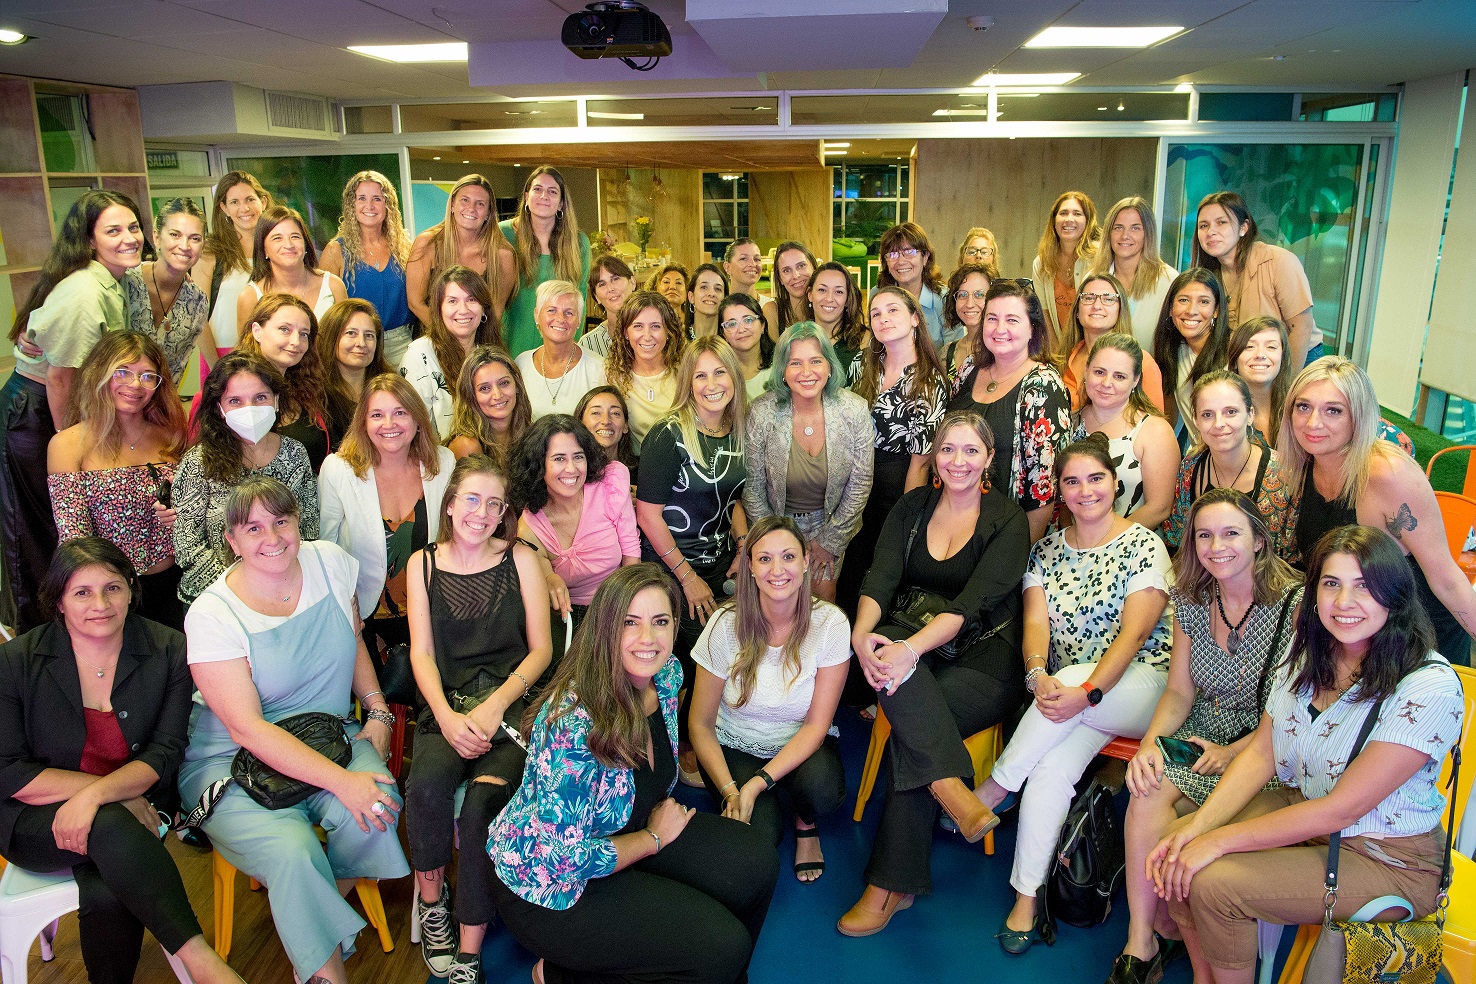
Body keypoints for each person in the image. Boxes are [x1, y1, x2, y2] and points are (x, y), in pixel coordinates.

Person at [1147, 525, 1463, 984]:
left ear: (1393, 596)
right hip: (1308, 808)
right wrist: (1199, 828)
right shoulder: (1309, 651)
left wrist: (1216, 839)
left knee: (1213, 881)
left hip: (1387, 856)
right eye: (1331, 584)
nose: (1344, 602)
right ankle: (1206, 976)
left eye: (1364, 587)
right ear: (1313, 592)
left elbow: (1342, 809)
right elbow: (1261, 752)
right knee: (1176, 844)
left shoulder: (1427, 685)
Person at [489, 564, 779, 984]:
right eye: (630, 622)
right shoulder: (571, 721)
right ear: (606, 628)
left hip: (625, 826)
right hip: (552, 884)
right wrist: (653, 839)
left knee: (756, 863)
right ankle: (564, 974)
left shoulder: (666, 676)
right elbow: (564, 858)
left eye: (660, 622)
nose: (648, 639)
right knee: (721, 945)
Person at [179, 477, 409, 984]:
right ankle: (326, 974)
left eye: (281, 521)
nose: (273, 537)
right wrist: (342, 781)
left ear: (297, 522)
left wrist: (376, 711)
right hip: (232, 760)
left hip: (326, 733)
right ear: (232, 541)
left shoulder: (329, 562)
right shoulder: (213, 613)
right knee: (293, 850)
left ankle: (303, 906)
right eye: (253, 527)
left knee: (379, 806)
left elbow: (353, 640)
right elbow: (248, 731)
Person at [0, 538, 246, 984]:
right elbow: (10, 773)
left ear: (132, 590)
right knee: (112, 821)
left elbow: (165, 751)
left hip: (136, 805)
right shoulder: (16, 661)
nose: (101, 604)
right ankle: (202, 961)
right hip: (35, 818)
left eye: (113, 588)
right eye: (82, 592)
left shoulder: (169, 648)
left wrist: (101, 795)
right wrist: (113, 799)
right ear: (58, 600)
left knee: (109, 892)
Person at [972, 435, 1174, 954]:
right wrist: (1037, 674)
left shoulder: (1143, 545)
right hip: (1071, 703)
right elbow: (1035, 624)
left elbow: (1133, 636)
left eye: (1096, 478)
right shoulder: (1044, 552)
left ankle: (993, 791)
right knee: (1051, 771)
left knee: (1080, 673)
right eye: (1073, 481)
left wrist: (1087, 691)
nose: (1085, 491)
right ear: (1060, 490)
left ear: (1114, 483)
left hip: (1145, 688)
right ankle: (1026, 898)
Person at [838, 410, 1032, 936]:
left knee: (913, 717)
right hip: (914, 647)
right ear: (935, 455)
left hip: (984, 661)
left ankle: (887, 887)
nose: (958, 462)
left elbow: (970, 606)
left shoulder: (1007, 520)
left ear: (990, 459)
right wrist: (862, 634)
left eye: (972, 451)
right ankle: (952, 792)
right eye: (948, 450)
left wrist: (905, 651)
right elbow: (881, 576)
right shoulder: (912, 506)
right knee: (911, 699)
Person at [1112, 488, 1302, 984]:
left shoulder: (1294, 604)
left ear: (1260, 541)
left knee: (1179, 838)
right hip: (1203, 731)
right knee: (1146, 788)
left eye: (1231, 533)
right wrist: (1152, 745)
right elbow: (1178, 691)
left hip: (1265, 747)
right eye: (1204, 535)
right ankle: (1140, 941)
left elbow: (1290, 712)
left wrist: (1231, 752)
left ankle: (1177, 930)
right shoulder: (1192, 598)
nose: (1217, 546)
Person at [405, 454, 551, 984]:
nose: (482, 512)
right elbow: (421, 653)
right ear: (449, 505)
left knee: (480, 808)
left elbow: (540, 651)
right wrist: (444, 716)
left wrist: (495, 707)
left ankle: (470, 941)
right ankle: (432, 902)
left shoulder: (521, 559)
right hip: (446, 705)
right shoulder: (421, 565)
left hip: (510, 707)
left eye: (495, 504)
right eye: (472, 499)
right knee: (424, 788)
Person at [3, 190, 144, 631]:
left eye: (134, 227)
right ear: (88, 241)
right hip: (36, 411)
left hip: (57, 404)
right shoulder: (85, 289)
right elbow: (62, 380)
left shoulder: (113, 279)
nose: (129, 238)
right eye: (114, 231)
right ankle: (37, 641)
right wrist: (74, 447)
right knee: (34, 537)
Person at [1281, 357, 1476, 665]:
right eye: (1303, 407)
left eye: (1333, 410)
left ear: (1358, 417)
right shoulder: (1304, 465)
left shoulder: (1387, 474)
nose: (1313, 422)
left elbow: (1447, 579)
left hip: (1421, 636)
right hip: (1361, 634)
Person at [689, 515, 849, 882]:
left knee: (822, 791)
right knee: (760, 837)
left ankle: (805, 822)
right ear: (750, 567)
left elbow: (816, 726)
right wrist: (733, 791)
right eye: (764, 559)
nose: (778, 570)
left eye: (788, 557)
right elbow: (699, 724)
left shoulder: (831, 625)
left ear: (806, 561)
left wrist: (757, 783)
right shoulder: (723, 624)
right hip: (737, 743)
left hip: (799, 742)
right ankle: (762, 802)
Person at [48, 332, 188, 630]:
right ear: (100, 374)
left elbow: (199, 512)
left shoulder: (173, 436)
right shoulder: (67, 445)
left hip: (178, 583)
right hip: (110, 594)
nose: (135, 385)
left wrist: (183, 516)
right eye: (123, 372)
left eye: (148, 376)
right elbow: (74, 538)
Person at [319, 373, 455, 666]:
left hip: (429, 611)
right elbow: (326, 547)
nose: (389, 424)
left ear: (418, 419)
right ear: (363, 423)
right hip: (364, 616)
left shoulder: (443, 463)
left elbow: (451, 539)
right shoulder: (337, 470)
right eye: (377, 415)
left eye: (400, 413)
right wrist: (346, 608)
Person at [636, 336, 749, 667]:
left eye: (720, 373)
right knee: (706, 661)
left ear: (734, 378)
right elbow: (648, 516)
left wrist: (743, 547)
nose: (711, 385)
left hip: (719, 561)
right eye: (701, 376)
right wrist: (687, 578)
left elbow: (732, 498)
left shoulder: (736, 429)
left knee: (736, 652)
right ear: (688, 381)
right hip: (672, 568)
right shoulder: (668, 434)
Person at [835, 286, 948, 615]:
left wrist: (905, 521)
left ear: (915, 318)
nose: (883, 318)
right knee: (849, 578)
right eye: (875, 313)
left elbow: (920, 464)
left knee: (881, 574)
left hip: (896, 483)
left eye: (892, 310)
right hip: (854, 480)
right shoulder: (862, 365)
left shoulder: (929, 381)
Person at [172, 353, 319, 605]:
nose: (249, 409)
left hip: (286, 590)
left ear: (276, 400)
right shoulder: (199, 462)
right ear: (219, 408)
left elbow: (309, 531)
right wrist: (248, 589)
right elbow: (188, 548)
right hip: (215, 597)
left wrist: (280, 584)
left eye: (260, 398)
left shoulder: (295, 454)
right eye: (235, 401)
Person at [744, 322, 873, 603]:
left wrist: (828, 542)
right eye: (795, 363)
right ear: (782, 370)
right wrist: (775, 542)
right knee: (778, 606)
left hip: (832, 524)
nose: (806, 372)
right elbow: (752, 487)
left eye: (816, 361)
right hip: (776, 523)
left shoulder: (854, 409)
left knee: (822, 607)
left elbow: (861, 483)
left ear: (829, 366)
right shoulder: (761, 412)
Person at [946, 279, 1072, 542]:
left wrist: (1018, 558)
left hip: (1005, 535)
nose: (999, 329)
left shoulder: (1043, 386)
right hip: (952, 523)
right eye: (992, 318)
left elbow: (1043, 490)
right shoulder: (969, 368)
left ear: (1032, 329)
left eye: (1012, 320)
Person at [514, 414, 640, 639]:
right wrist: (549, 578)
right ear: (539, 464)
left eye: (578, 457)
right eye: (559, 459)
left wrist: (626, 612)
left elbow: (632, 554)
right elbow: (540, 564)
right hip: (569, 616)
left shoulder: (610, 482)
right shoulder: (529, 526)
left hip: (621, 600)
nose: (571, 469)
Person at [1228, 315, 1414, 456]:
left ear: (1283, 358)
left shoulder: (1302, 403)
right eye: (1249, 347)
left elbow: (1402, 441)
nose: (1260, 354)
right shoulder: (1223, 409)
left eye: (1271, 347)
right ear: (1235, 359)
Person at [1161, 370, 1295, 559]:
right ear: (1196, 420)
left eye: (1230, 412)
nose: (1219, 423)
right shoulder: (1190, 468)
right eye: (1207, 414)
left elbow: (1291, 558)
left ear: (1250, 415)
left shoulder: (1283, 473)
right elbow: (1177, 541)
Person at [1193, 191, 1321, 367]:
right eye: (1203, 226)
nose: (1211, 232)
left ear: (1243, 228)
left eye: (1221, 222)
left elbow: (1301, 328)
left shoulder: (1278, 261)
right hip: (1252, 362)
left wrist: (1287, 387)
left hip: (1298, 358)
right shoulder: (1210, 276)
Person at [1072, 333, 1180, 531]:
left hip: (1130, 546)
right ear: (1086, 371)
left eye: (1119, 376)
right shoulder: (1068, 422)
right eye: (1099, 372)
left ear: (1135, 380)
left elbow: (1159, 508)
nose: (1106, 383)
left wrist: (1104, 541)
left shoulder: (1154, 431)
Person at [319, 170, 414, 367]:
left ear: (388, 205)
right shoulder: (335, 251)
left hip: (400, 344)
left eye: (377, 199)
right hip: (355, 345)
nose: (369, 206)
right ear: (351, 205)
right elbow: (325, 312)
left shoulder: (404, 247)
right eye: (361, 198)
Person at [401, 265, 504, 442]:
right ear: (439, 309)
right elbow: (413, 428)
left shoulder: (491, 354)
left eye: (472, 300)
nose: (463, 310)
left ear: (484, 309)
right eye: (452, 301)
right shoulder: (419, 355)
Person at [500, 166, 592, 357]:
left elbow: (580, 299)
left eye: (552, 192)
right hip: (510, 341)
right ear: (526, 197)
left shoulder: (578, 243)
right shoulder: (502, 235)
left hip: (558, 345)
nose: (544, 196)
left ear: (561, 204)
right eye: (538, 189)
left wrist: (570, 348)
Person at [234, 292, 332, 471]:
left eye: (304, 334)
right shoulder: (228, 393)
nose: (296, 342)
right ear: (257, 331)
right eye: (284, 329)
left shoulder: (308, 389)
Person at [406, 173, 515, 330]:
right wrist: (450, 338)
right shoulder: (427, 244)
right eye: (465, 200)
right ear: (452, 205)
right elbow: (415, 303)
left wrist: (471, 346)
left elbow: (495, 314)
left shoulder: (503, 255)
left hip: (478, 344)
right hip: (434, 339)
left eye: (480, 204)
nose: (471, 208)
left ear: (488, 213)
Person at [125, 197, 212, 381]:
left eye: (194, 238)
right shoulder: (126, 281)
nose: (184, 246)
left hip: (158, 402)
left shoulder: (196, 301)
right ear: (157, 237)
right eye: (175, 235)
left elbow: (175, 371)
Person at [1058, 273, 1166, 412]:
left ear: (1120, 310)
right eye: (1089, 298)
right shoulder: (1062, 359)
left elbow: (1156, 427)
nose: (1097, 305)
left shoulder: (1143, 362)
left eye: (1108, 299)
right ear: (1077, 310)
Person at [233, 204, 345, 334]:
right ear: (264, 249)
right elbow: (247, 352)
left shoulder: (333, 285)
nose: (288, 245)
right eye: (277, 238)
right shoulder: (249, 297)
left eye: (295, 237)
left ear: (306, 244)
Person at [193, 171, 270, 360]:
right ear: (224, 208)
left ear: (263, 202)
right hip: (223, 356)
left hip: (272, 353)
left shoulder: (276, 249)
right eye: (234, 202)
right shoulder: (210, 253)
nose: (244, 208)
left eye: (250, 199)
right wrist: (216, 368)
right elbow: (198, 319)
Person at [1153, 268, 1232, 448]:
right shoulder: (1174, 350)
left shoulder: (1234, 353)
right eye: (1183, 300)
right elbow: (1168, 419)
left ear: (1216, 310)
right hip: (1200, 459)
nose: (1191, 311)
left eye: (1203, 301)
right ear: (1171, 309)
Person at [1088, 196, 1177, 351]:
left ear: (1147, 234)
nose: (1125, 236)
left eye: (1135, 228)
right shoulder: (1092, 278)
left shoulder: (1169, 281)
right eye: (1118, 227)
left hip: (1150, 372)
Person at [517, 280, 607, 419]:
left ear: (579, 320)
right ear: (536, 315)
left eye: (569, 313)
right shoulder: (521, 364)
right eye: (551, 310)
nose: (560, 318)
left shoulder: (599, 369)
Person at [606, 291, 684, 451]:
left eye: (655, 326)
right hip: (634, 466)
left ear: (667, 331)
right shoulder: (612, 375)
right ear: (625, 333)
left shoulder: (685, 371)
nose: (647, 336)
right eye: (638, 326)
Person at [1032, 191, 1101, 353]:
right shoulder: (1041, 263)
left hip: (1096, 348)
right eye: (1063, 213)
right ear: (1054, 220)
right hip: (1061, 349)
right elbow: (1045, 315)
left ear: (1088, 221)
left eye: (1077, 213)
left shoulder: (1100, 258)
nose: (1069, 219)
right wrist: (1058, 355)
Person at [317, 298, 391, 445]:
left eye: (369, 335)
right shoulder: (316, 395)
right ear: (331, 338)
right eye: (351, 333)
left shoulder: (390, 389)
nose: (361, 343)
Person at [448, 344, 533, 464]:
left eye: (504, 383)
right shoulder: (467, 446)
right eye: (485, 388)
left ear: (517, 385)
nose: (497, 395)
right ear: (471, 396)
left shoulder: (530, 434)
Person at [872, 223, 949, 349]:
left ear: (925, 257)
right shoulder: (877, 295)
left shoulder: (944, 297)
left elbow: (953, 352)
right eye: (893, 254)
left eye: (909, 252)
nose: (901, 261)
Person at [805, 262, 868, 372]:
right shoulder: (797, 338)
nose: (829, 298)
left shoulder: (865, 339)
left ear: (848, 299)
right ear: (810, 294)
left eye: (838, 292)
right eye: (822, 290)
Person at [939, 262, 994, 382]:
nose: (969, 304)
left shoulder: (1001, 350)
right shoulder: (947, 353)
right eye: (962, 295)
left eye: (979, 295)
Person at [718, 293, 774, 401]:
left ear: (762, 325)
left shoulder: (781, 365)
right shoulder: (718, 371)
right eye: (732, 324)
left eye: (748, 320)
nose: (741, 329)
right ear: (723, 334)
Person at [580, 254, 635, 358]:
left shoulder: (656, 332)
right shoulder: (588, 345)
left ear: (632, 282)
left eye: (615, 279)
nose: (610, 288)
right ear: (596, 297)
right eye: (602, 284)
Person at [576, 385, 638, 474]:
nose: (606, 421)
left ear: (625, 425)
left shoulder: (642, 473)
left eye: (615, 413)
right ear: (580, 423)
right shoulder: (572, 473)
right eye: (596, 413)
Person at [761, 241, 817, 340]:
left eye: (801, 266)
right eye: (787, 270)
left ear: (814, 267)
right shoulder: (772, 311)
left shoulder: (827, 307)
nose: (796, 276)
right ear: (780, 279)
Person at [687, 263, 729, 339]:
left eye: (718, 289)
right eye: (704, 287)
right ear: (691, 297)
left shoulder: (732, 340)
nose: (711, 294)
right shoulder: (677, 340)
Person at [723, 238, 768, 304]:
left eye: (757, 259)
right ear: (727, 267)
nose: (753, 264)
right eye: (743, 259)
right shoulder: (716, 308)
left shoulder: (772, 307)